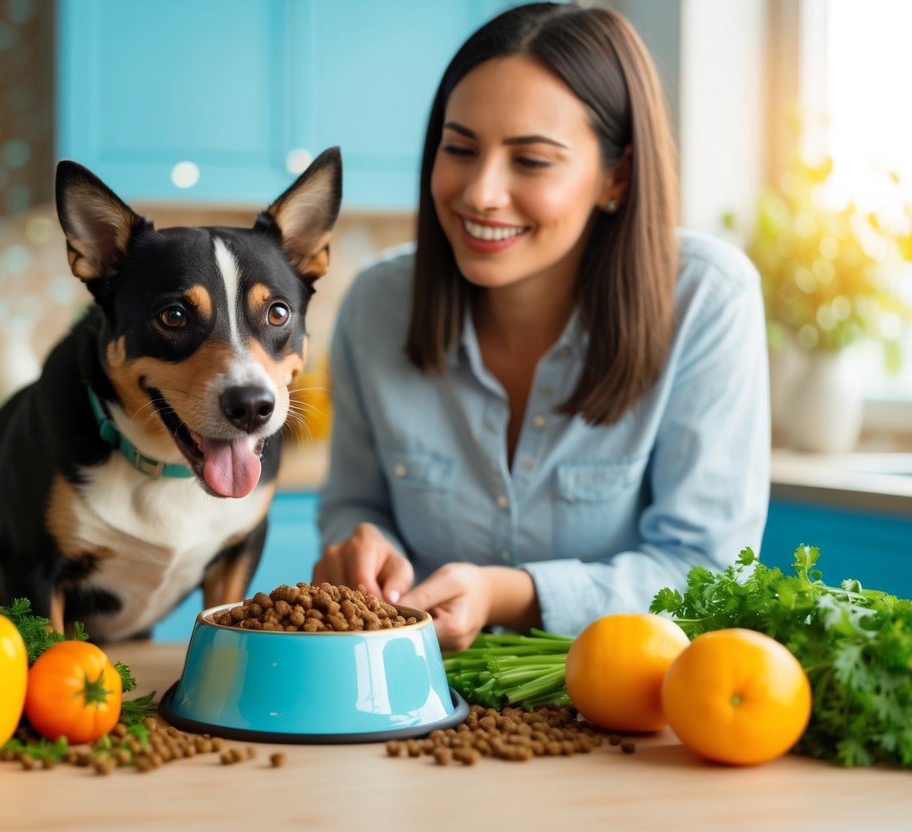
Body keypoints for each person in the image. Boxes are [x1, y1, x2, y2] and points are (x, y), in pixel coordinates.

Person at [312, 2, 770, 650]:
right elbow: (354, 505)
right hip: (428, 703)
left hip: (626, 708)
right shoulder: (376, 304)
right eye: (459, 148)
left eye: (529, 161)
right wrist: (361, 549)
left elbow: (707, 572)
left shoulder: (706, 298)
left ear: (617, 175)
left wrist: (508, 594)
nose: (479, 193)